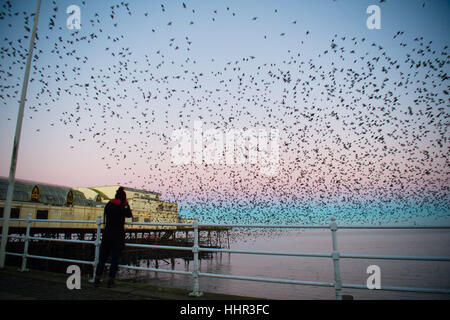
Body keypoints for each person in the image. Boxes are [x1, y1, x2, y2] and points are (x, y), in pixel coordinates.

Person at [94, 187, 132, 287]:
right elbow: (129, 215)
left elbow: (107, 213)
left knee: (102, 258)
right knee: (115, 259)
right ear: (123, 198)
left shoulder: (109, 205)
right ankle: (110, 280)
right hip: (117, 236)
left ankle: (97, 278)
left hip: (107, 235)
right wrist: (126, 204)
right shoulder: (122, 206)